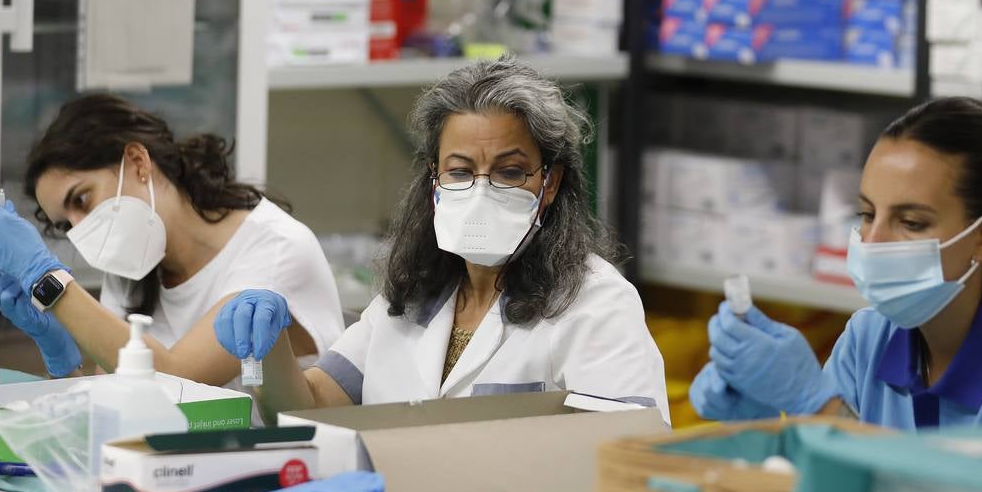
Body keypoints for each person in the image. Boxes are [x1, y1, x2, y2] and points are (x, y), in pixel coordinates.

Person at [214, 57, 669, 424]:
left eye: (510, 172)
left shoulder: (596, 304)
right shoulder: (411, 299)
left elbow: (625, 453)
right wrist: (269, 348)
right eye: (461, 171)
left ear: (549, 183)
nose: (482, 191)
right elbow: (306, 406)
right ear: (435, 179)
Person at [692, 97, 982, 430]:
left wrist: (817, 405)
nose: (873, 240)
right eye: (866, 214)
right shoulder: (869, 340)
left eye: (911, 221)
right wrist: (762, 426)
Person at [0, 94, 344, 390]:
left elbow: (174, 382)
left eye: (81, 200)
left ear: (137, 161)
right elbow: (111, 403)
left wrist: (47, 281)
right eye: (67, 225)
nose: (82, 229)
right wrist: (62, 360)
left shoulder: (275, 249)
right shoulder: (133, 265)